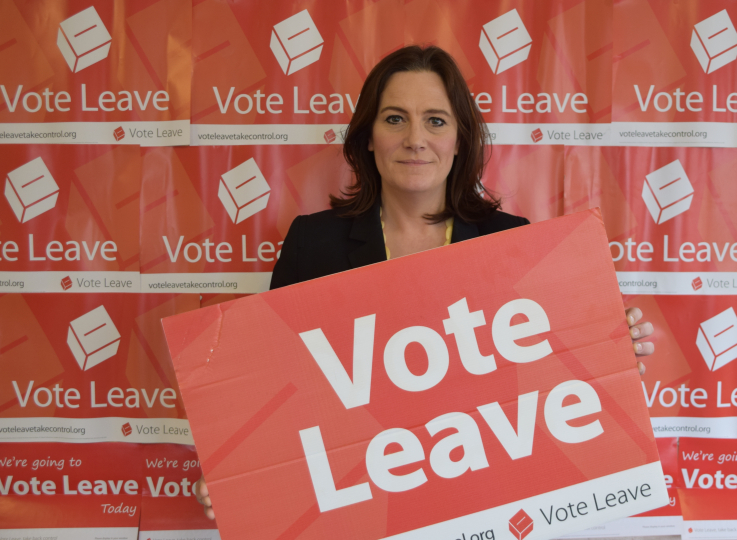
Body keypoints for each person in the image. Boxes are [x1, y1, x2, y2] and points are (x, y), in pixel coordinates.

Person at [194, 45, 655, 520]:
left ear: (459, 139)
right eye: (395, 119)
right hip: (359, 509)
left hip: (479, 507)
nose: (415, 138)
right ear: (368, 137)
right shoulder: (314, 243)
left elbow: (545, 384)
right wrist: (240, 473)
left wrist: (608, 358)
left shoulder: (511, 241)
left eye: (436, 120)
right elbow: (280, 390)